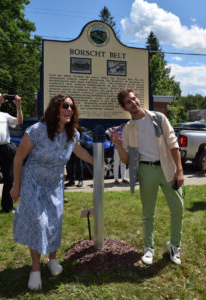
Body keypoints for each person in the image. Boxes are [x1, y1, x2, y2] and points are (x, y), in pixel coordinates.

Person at [10, 93, 93, 290]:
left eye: (72, 107)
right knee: (38, 224)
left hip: (55, 185)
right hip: (33, 183)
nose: (69, 110)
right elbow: (18, 158)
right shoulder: (37, 131)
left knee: (54, 222)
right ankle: (36, 268)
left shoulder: (72, 133)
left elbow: (78, 150)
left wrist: (95, 161)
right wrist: (16, 185)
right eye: (65, 105)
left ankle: (53, 260)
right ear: (55, 108)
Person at [111, 88, 184, 265]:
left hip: (167, 168)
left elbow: (173, 144)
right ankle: (148, 247)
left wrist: (179, 170)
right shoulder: (128, 128)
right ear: (124, 107)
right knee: (148, 211)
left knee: (178, 208)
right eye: (129, 102)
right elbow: (127, 158)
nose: (134, 103)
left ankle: (174, 245)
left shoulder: (158, 118)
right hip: (145, 170)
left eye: (134, 99)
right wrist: (119, 145)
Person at [0, 92, 23, 213]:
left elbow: (19, 121)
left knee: (9, 178)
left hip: (6, 149)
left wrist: (18, 106)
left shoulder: (4, 115)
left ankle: (7, 206)